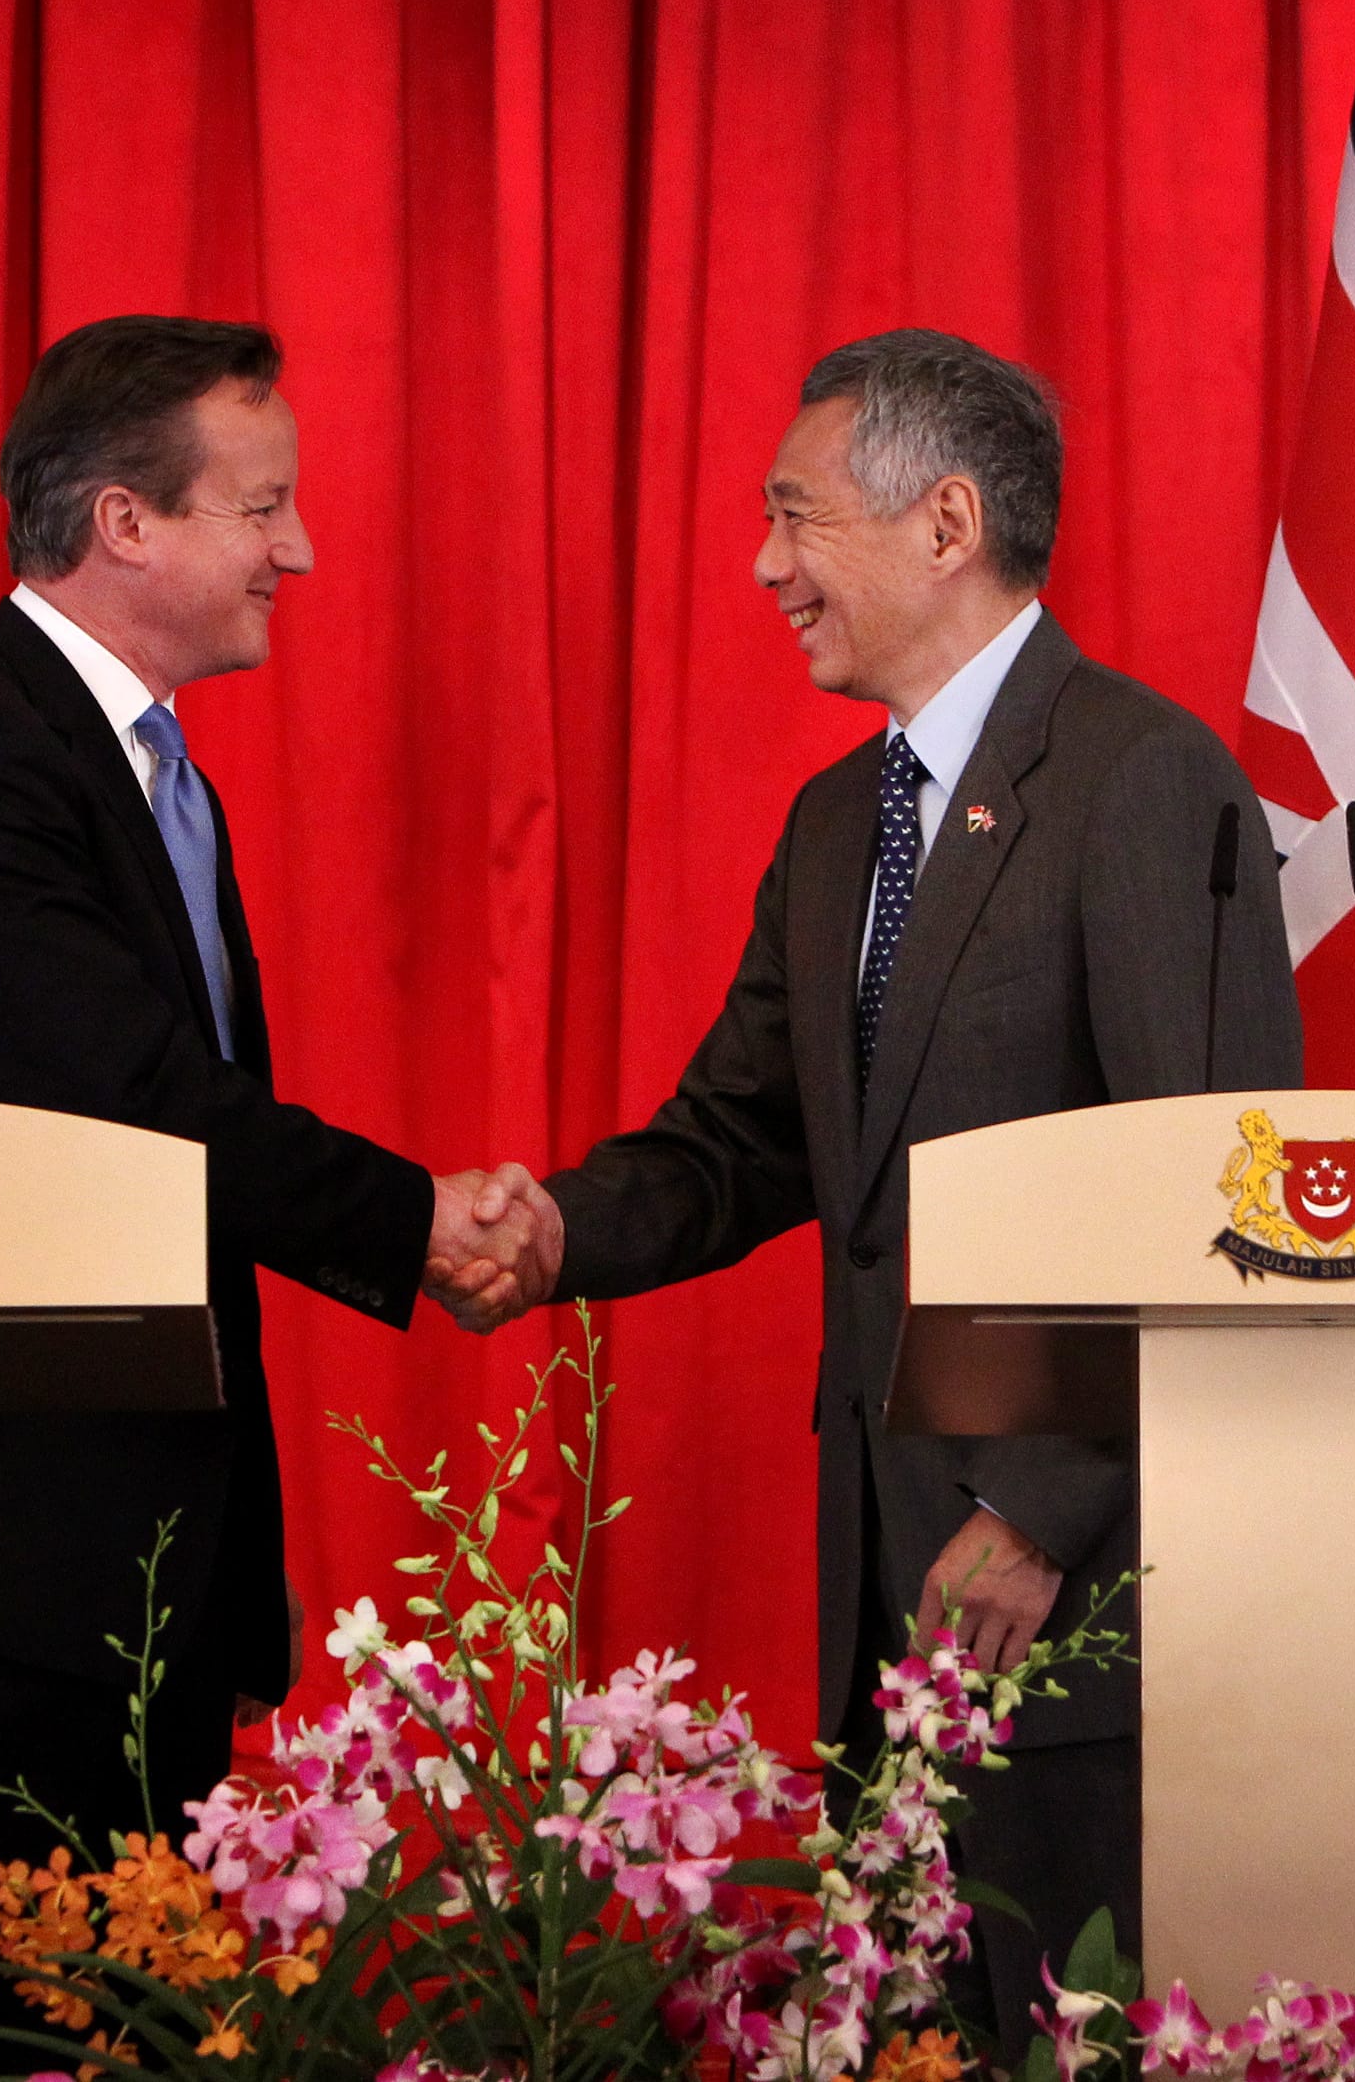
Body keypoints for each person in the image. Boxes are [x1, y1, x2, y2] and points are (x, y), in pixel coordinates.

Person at [462, 328, 1304, 2058]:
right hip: (888, 1588)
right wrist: (550, 1229)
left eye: (794, 517)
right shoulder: (844, 816)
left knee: (1078, 2033)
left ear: (943, 522)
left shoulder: (1142, 781)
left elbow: (1216, 1189)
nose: (765, 566)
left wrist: (1048, 1507)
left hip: (1081, 1602)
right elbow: (741, 1140)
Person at [0, 315, 559, 1984]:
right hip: (13, 1542)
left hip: (139, 1528)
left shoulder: (150, 767)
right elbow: (142, 1105)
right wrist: (415, 1218)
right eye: (262, 507)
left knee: (136, 1996)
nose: (295, 549)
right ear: (124, 522)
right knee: (44, 2001)